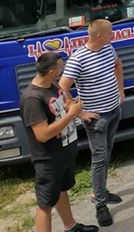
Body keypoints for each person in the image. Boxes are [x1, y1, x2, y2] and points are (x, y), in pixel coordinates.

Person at [21, 52, 97, 232]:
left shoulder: (53, 85)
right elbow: (42, 135)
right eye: (61, 68)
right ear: (52, 71)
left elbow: (67, 102)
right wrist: (71, 114)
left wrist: (78, 111)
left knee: (62, 190)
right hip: (48, 159)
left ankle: (71, 226)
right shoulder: (32, 99)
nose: (63, 71)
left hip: (64, 151)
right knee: (45, 204)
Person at [60, 19, 123, 228]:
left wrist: (121, 91)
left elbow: (117, 64)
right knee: (99, 158)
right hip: (97, 119)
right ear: (97, 36)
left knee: (108, 152)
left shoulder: (108, 48)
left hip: (114, 110)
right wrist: (80, 113)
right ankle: (100, 204)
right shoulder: (78, 59)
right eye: (110, 33)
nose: (113, 36)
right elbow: (61, 89)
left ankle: (102, 191)